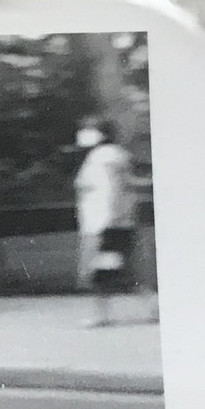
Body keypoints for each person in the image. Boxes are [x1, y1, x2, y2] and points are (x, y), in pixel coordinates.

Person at [73, 115, 139, 328]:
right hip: (117, 220)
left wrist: (108, 219)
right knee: (121, 266)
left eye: (88, 129)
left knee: (100, 270)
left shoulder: (102, 157)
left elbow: (109, 189)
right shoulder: (115, 155)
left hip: (103, 222)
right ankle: (152, 306)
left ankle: (100, 315)